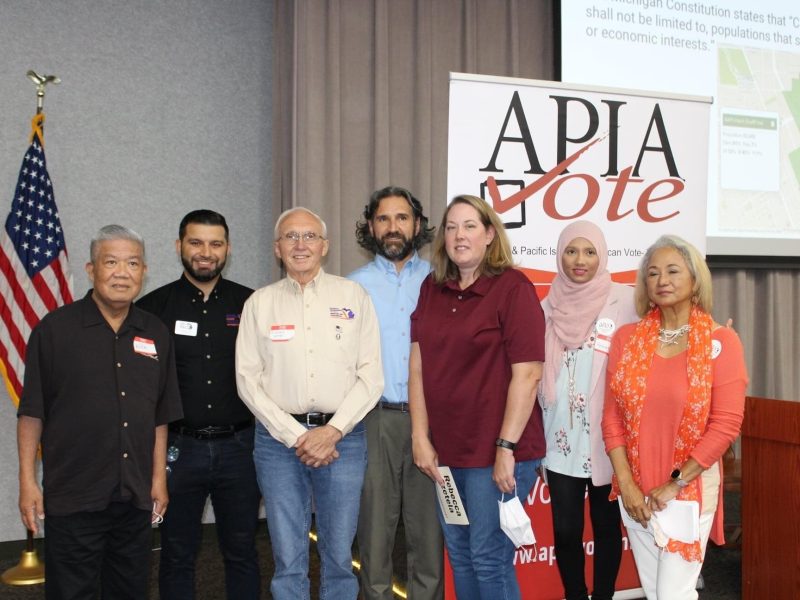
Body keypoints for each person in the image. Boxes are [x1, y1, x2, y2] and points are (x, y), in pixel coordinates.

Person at [17, 224, 183, 599]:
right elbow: (31, 413)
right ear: (92, 270)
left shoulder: (155, 332)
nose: (122, 272)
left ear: (144, 272)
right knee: (73, 592)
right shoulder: (54, 331)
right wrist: (28, 480)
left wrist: (158, 479)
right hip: (74, 493)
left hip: (134, 494)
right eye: (111, 262)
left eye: (133, 263)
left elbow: (160, 416)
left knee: (129, 590)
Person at [235, 207, 383, 600]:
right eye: (291, 237)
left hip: (344, 440)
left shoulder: (353, 296)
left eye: (309, 236)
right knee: (287, 556)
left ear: (325, 246)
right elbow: (247, 381)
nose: (300, 245)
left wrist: (332, 431)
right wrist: (297, 436)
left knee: (338, 554)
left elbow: (372, 376)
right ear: (277, 249)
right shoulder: (260, 304)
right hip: (277, 444)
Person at [409, 194, 546, 600]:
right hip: (447, 455)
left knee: (488, 557)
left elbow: (529, 372)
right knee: (461, 554)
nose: (458, 235)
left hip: (495, 454)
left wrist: (506, 447)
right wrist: (420, 437)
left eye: (469, 226)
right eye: (451, 227)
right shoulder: (432, 289)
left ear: (489, 234)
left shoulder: (512, 288)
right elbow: (417, 366)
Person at [602, 235, 747, 599]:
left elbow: (726, 424)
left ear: (695, 279)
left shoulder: (721, 341)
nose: (662, 280)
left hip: (688, 487)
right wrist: (627, 484)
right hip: (635, 491)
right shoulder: (626, 340)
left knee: (673, 595)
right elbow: (611, 419)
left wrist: (675, 484)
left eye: (672, 271)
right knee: (656, 593)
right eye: (652, 273)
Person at [136, 210, 260, 599]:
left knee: (242, 551)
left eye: (215, 244)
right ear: (179, 247)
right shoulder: (152, 308)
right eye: (196, 242)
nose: (205, 252)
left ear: (227, 249)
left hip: (240, 448)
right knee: (177, 553)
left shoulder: (252, 304)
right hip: (178, 450)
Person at [348, 186, 443, 600]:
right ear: (371, 226)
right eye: (383, 218)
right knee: (374, 530)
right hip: (374, 419)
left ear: (417, 225)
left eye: (401, 218)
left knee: (428, 533)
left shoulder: (441, 281)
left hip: (433, 422)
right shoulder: (352, 287)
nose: (392, 227)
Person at [538, 221, 638, 600]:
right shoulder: (547, 305)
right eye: (571, 251)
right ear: (560, 255)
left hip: (607, 438)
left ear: (602, 255)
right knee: (565, 530)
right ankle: (576, 595)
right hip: (559, 438)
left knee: (607, 526)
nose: (580, 261)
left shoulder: (626, 300)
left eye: (589, 252)